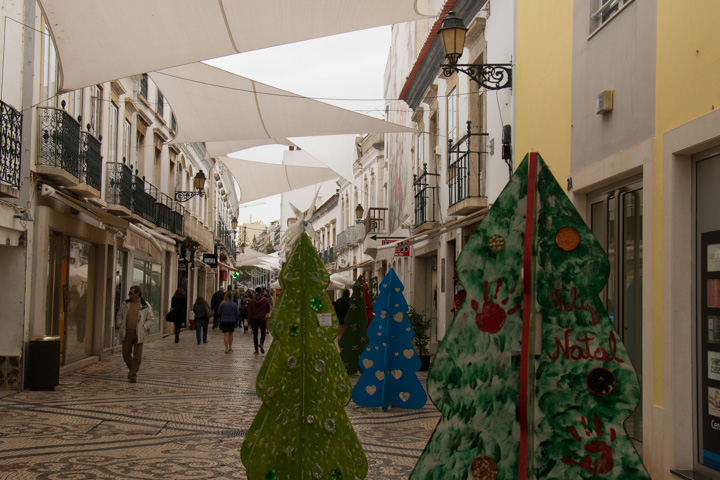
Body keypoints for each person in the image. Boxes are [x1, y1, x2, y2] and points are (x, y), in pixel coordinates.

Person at [116, 286, 155, 383]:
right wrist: (120, 324)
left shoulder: (145, 305)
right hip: (127, 332)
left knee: (137, 356)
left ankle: (133, 374)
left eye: (131, 293)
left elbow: (151, 319)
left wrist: (144, 327)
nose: (129, 294)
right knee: (125, 354)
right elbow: (119, 315)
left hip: (139, 333)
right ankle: (132, 370)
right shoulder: (126, 304)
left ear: (137, 294)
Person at [248, 286, 271, 355]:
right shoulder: (265, 300)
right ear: (261, 293)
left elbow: (249, 312)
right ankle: (261, 343)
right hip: (262, 319)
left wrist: (249, 322)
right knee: (263, 333)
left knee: (255, 335)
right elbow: (268, 310)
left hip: (254, 320)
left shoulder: (252, 301)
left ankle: (256, 350)